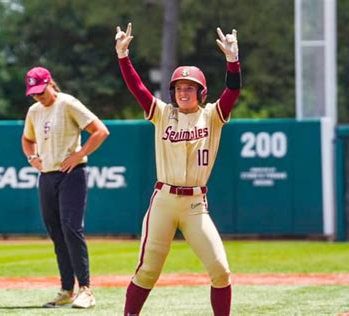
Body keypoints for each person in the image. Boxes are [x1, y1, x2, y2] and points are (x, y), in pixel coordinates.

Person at [115, 22, 241, 316]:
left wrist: (233, 61)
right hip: (165, 201)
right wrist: (123, 57)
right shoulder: (162, 113)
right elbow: (138, 88)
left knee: (221, 270)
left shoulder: (212, 116)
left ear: (201, 92)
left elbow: (232, 93)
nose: (184, 92)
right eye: (179, 88)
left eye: (190, 88)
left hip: (196, 204)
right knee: (147, 270)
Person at [21, 66, 109, 308]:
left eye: (40, 90)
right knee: (56, 232)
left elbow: (100, 131)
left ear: (50, 83)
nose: (38, 95)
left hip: (72, 173)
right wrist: (32, 158)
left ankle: (86, 290)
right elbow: (27, 139)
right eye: (33, 92)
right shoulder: (34, 111)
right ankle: (66, 289)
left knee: (71, 229)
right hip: (47, 176)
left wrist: (79, 154)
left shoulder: (67, 103)